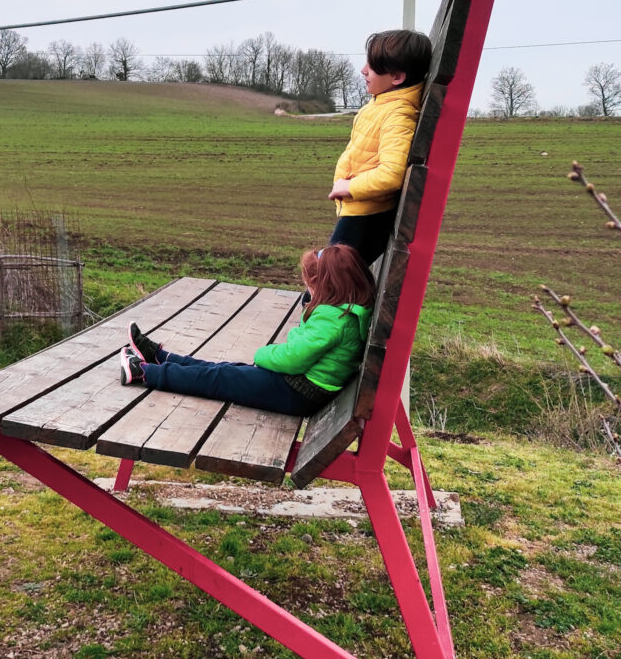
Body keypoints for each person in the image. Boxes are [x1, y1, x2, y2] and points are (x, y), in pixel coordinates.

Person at [119, 245, 375, 417]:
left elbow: (295, 358)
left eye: (309, 286)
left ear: (324, 286)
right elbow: (304, 350)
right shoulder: (345, 311)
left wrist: (263, 355)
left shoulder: (333, 318)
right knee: (224, 371)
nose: (307, 292)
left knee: (220, 378)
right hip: (300, 386)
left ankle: (143, 372)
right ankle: (162, 358)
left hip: (298, 391)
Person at [329, 29, 433, 266]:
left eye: (372, 66)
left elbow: (391, 174)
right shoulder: (384, 104)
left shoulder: (397, 114)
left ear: (396, 77)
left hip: (365, 216)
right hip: (361, 212)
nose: (363, 70)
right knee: (329, 278)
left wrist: (349, 186)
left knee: (327, 282)